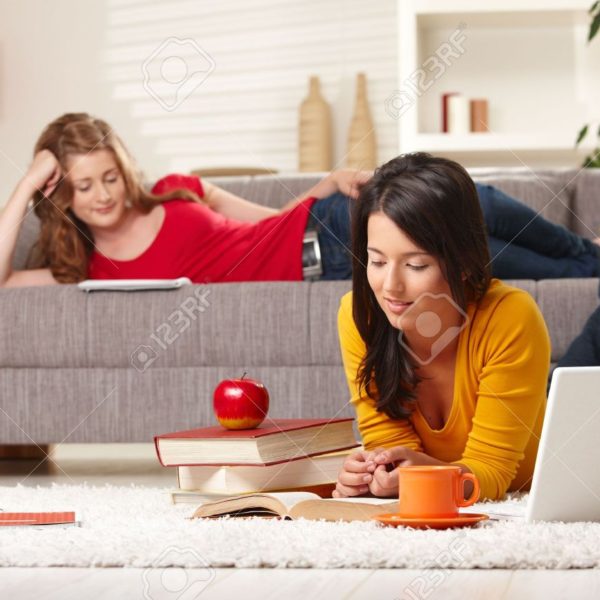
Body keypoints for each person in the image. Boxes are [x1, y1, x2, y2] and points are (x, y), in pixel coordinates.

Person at [1, 112, 598, 287]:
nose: (103, 194)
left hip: (329, 218)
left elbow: (265, 224)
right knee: (477, 256)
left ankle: (589, 256)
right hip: (334, 265)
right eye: (83, 185)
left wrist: (318, 187)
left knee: (474, 200)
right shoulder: (79, 269)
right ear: (62, 196)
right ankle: (589, 267)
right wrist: (27, 182)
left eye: (108, 176)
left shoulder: (173, 188)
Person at [333, 153, 551, 502]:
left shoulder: (511, 316)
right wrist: (376, 472)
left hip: (517, 496)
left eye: (416, 265)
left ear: (463, 262)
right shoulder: (360, 315)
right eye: (377, 261)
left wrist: (422, 475)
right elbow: (386, 439)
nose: (390, 286)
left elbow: (492, 472)